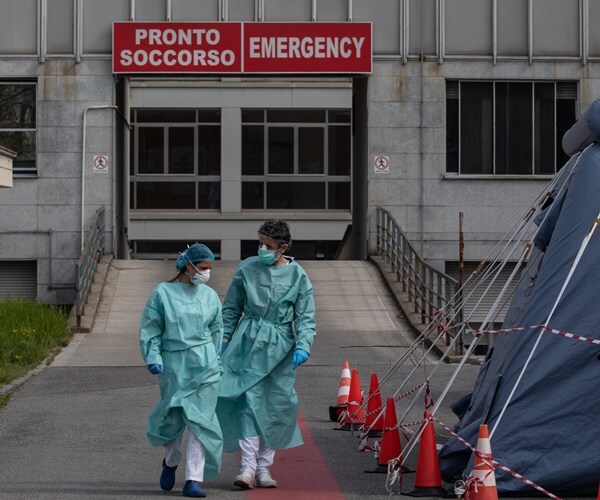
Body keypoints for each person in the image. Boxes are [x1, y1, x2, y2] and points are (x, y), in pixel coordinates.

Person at [216, 219, 317, 489]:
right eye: (259, 243)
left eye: (268, 245)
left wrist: (303, 344)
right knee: (248, 403)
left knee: (276, 406)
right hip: (248, 343)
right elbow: (232, 307)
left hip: (281, 347)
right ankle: (248, 467)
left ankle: (264, 467)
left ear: (283, 248)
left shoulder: (298, 276)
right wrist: (224, 337)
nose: (261, 248)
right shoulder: (247, 268)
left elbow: (306, 316)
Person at [139, 243, 223, 498]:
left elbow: (217, 329)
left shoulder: (209, 296)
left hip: (205, 365)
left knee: (200, 423)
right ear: (189, 265)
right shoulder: (162, 293)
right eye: (204, 267)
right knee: (173, 421)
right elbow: (151, 328)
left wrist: (217, 360)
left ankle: (193, 479)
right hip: (175, 364)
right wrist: (153, 356)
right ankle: (171, 461)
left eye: (210, 268)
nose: (207, 273)